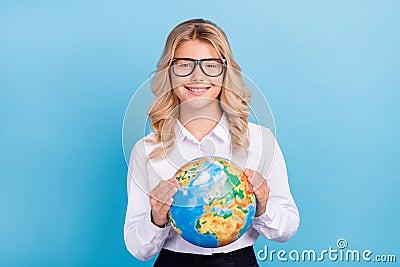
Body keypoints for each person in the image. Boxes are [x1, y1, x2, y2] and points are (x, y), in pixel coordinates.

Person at [124, 19, 299, 267]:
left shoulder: (260, 140)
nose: (197, 76)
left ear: (225, 73)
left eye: (211, 65)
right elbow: (137, 248)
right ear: (169, 73)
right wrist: (156, 218)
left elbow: (286, 229)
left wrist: (262, 207)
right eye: (184, 64)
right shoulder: (147, 150)